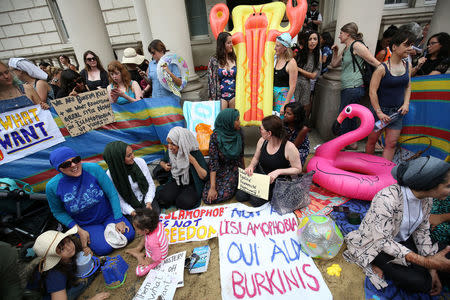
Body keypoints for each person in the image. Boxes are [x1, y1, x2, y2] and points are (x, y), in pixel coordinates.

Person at [344, 156, 450, 295]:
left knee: (444, 263)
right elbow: (382, 241)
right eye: (447, 186)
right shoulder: (387, 198)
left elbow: (421, 231)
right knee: (421, 283)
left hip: (402, 241)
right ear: (431, 184)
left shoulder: (427, 199)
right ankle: (377, 262)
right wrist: (426, 262)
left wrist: (432, 268)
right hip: (377, 245)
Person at [46, 147, 135, 256]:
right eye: (66, 164)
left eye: (76, 160)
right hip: (85, 224)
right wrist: (79, 230)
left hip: (108, 215)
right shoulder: (52, 186)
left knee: (129, 235)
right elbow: (58, 212)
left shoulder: (93, 169)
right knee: (104, 249)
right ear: (58, 168)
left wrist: (118, 218)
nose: (73, 165)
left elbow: (111, 193)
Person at [365, 30, 415, 161]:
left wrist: (406, 103)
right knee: (372, 140)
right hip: (380, 112)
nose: (409, 48)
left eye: (411, 45)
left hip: (397, 113)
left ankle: (385, 172)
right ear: (394, 46)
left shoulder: (408, 65)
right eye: (406, 45)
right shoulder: (382, 68)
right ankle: (367, 168)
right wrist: (379, 113)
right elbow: (372, 92)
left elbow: (408, 86)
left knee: (391, 143)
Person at [330, 22, 380, 150]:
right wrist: (335, 52)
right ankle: (352, 142)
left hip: (354, 87)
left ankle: (344, 142)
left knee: (345, 115)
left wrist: (387, 73)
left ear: (348, 34)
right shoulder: (346, 48)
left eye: (341, 33)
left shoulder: (356, 45)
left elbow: (373, 61)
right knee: (350, 115)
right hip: (347, 87)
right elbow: (335, 64)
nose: (339, 36)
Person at [236, 115, 302, 207]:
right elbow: (256, 158)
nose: (260, 131)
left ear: (269, 133)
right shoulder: (262, 141)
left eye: (261, 129)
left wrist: (278, 171)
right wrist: (251, 166)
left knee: (255, 201)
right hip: (261, 174)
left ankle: (273, 194)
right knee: (240, 196)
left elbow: (298, 169)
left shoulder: (289, 147)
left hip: (276, 181)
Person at [30, 227, 110, 300]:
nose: (69, 247)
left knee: (87, 272)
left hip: (65, 280)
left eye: (68, 241)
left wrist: (86, 251)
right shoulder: (55, 275)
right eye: (61, 249)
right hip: (51, 295)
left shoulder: (69, 253)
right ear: (53, 257)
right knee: (83, 282)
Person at [154, 127, 208, 210]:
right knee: (164, 198)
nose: (170, 147)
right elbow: (162, 161)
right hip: (177, 180)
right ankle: (177, 194)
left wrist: (193, 161)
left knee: (184, 202)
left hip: (192, 184)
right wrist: (164, 165)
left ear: (182, 143)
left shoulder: (194, 152)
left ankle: (181, 195)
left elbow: (204, 176)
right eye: (168, 143)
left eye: (173, 144)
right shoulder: (171, 152)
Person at [103, 141, 159, 217]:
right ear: (119, 160)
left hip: (144, 198)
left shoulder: (140, 162)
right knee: (141, 224)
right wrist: (132, 212)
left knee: (154, 216)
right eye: (129, 156)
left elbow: (150, 184)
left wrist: (148, 202)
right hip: (129, 205)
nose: (133, 156)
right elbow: (118, 200)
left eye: (132, 152)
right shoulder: (110, 175)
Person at [202, 108, 244, 204]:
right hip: (220, 169)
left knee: (224, 193)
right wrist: (212, 187)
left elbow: (241, 156)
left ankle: (235, 184)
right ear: (228, 122)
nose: (240, 122)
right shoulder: (215, 137)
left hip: (234, 168)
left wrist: (244, 176)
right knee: (206, 195)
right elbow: (213, 162)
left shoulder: (239, 134)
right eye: (237, 120)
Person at [126, 208, 168, 277]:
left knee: (139, 272)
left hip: (159, 258)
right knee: (146, 237)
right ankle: (139, 250)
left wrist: (148, 261)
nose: (136, 231)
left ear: (146, 230)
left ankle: (139, 256)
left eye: (136, 229)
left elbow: (157, 257)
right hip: (156, 248)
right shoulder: (158, 224)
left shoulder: (151, 241)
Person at [294, 30, 321, 119]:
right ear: (306, 41)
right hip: (295, 83)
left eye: (315, 39)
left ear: (318, 41)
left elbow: (313, 76)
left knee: (303, 108)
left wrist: (298, 69)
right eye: (310, 39)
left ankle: (301, 127)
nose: (312, 41)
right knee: (293, 107)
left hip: (306, 84)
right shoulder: (300, 53)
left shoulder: (318, 55)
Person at [207, 32, 237, 109]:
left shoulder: (235, 59)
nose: (232, 45)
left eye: (232, 42)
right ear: (222, 45)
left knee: (233, 118)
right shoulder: (214, 61)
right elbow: (211, 81)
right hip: (220, 96)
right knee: (223, 118)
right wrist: (210, 97)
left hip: (235, 95)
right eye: (229, 43)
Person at [273, 32, 298, 115]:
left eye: (277, 46)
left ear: (284, 48)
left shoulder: (291, 62)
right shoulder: (275, 59)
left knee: (282, 123)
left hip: (284, 99)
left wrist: (285, 105)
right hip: (273, 98)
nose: (274, 48)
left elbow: (293, 86)